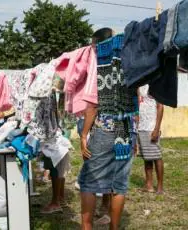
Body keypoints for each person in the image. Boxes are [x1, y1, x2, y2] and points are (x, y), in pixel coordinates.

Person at [78, 28, 138, 230]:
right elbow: (135, 101)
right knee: (119, 185)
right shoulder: (128, 63)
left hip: (105, 128)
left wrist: (84, 135)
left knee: (88, 181)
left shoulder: (101, 64)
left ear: (97, 45)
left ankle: (87, 227)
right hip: (127, 129)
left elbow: (92, 106)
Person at [137, 85, 164, 194]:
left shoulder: (155, 84)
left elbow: (160, 106)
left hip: (151, 127)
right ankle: (148, 185)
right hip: (141, 126)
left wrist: (156, 128)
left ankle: (160, 187)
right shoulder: (139, 85)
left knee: (156, 156)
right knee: (147, 157)